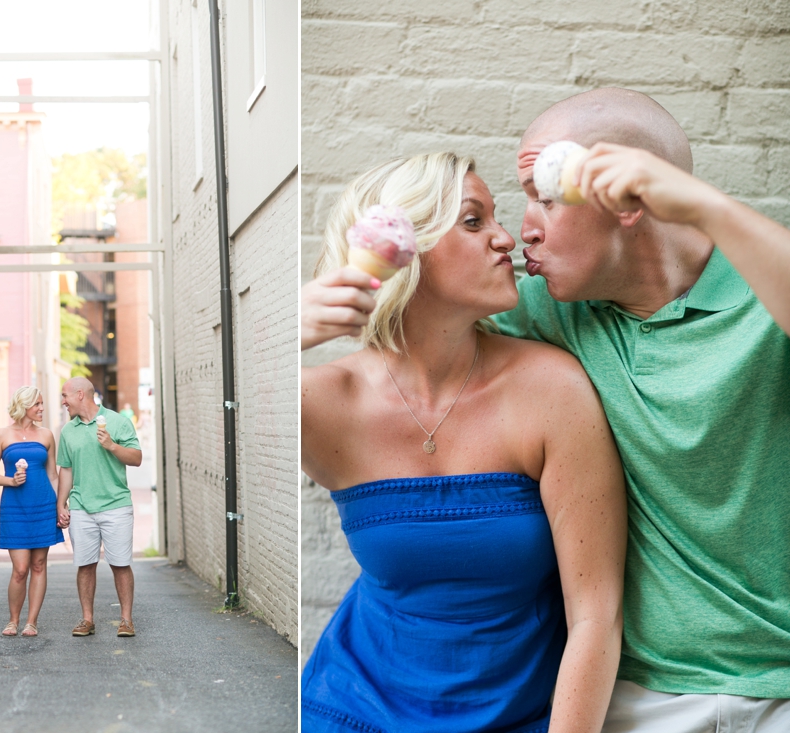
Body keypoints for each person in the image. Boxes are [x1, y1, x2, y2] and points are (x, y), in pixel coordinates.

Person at [495, 87, 790, 731]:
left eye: (545, 195)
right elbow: (401, 333)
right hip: (638, 698)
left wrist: (704, 207)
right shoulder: (551, 310)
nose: (526, 227)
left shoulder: (767, 287)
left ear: (630, 202)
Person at [301, 151, 627, 733]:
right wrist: (289, 334)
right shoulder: (330, 402)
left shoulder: (552, 389)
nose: (507, 239)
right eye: (473, 221)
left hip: (524, 717)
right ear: (404, 248)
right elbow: (227, 424)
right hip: (352, 708)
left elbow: (596, 614)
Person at [56, 377, 143, 638]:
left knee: (120, 563)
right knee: (85, 564)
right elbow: (66, 470)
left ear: (80, 394)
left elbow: (137, 458)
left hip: (116, 505)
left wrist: (112, 446)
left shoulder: (117, 422)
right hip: (82, 507)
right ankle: (87, 619)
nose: (63, 402)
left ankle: (126, 620)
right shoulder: (68, 431)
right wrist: (61, 503)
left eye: (65, 396)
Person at [0, 386, 64, 637]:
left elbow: (53, 474)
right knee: (20, 568)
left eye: (42, 403)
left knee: (39, 564)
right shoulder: (2, 435)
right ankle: (13, 620)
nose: (42, 408)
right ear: (24, 405)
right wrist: (10, 481)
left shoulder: (47, 435)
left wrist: (61, 505)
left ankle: (31, 621)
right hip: (15, 508)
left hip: (43, 506)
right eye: (38, 404)